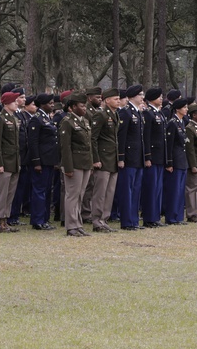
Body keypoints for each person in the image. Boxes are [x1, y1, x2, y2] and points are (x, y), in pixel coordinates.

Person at [58, 93, 95, 236]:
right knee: (72, 195)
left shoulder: (84, 121)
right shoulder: (67, 122)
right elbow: (65, 147)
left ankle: (78, 224)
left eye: (85, 105)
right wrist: (67, 167)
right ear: (73, 107)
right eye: (81, 106)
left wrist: (90, 164)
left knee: (80, 195)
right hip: (74, 163)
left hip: (85, 163)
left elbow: (89, 145)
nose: (84, 108)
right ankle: (71, 226)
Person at [0, 91, 21, 233]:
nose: (17, 103)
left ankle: (5, 220)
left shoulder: (13, 118)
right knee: (2, 193)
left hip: (13, 161)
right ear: (6, 103)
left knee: (10, 193)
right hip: (4, 161)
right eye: (14, 101)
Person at [89, 88, 120, 232]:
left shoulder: (115, 114)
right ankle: (96, 220)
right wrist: (95, 159)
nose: (118, 101)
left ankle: (104, 220)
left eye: (119, 99)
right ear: (107, 100)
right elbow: (93, 138)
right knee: (100, 193)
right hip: (102, 158)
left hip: (112, 159)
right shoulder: (100, 115)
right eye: (115, 99)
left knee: (109, 192)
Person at [27, 93, 58, 231]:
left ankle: (44, 219)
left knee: (46, 190)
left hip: (49, 160)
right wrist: (36, 162)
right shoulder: (36, 119)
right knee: (39, 190)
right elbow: (33, 143)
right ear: (42, 104)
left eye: (53, 103)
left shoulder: (46, 119)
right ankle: (37, 220)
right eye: (50, 103)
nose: (52, 105)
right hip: (41, 160)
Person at [116, 85, 146, 231]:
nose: (142, 97)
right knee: (127, 191)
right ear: (133, 96)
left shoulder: (138, 113)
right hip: (128, 158)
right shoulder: (125, 113)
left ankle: (134, 220)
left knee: (136, 190)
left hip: (137, 157)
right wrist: (120, 157)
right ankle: (127, 221)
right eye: (140, 94)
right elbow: (121, 137)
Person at [141, 88, 166, 228]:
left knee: (157, 188)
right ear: (151, 99)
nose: (161, 99)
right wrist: (147, 156)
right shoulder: (148, 114)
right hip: (152, 156)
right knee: (150, 188)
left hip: (160, 156)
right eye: (158, 97)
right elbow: (147, 137)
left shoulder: (159, 113)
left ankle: (155, 216)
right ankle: (149, 218)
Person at [163, 98, 190, 225]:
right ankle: (171, 217)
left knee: (180, 190)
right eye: (184, 107)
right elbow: (169, 144)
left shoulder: (182, 122)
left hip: (182, 160)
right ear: (178, 108)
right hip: (175, 160)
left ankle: (179, 216)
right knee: (174, 190)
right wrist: (169, 162)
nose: (187, 109)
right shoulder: (172, 123)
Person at [10, 94, 35, 226]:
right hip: (14, 157)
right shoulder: (10, 116)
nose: (24, 100)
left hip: (23, 157)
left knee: (20, 188)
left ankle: (15, 215)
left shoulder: (21, 116)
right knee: (13, 189)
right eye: (21, 97)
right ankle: (10, 216)